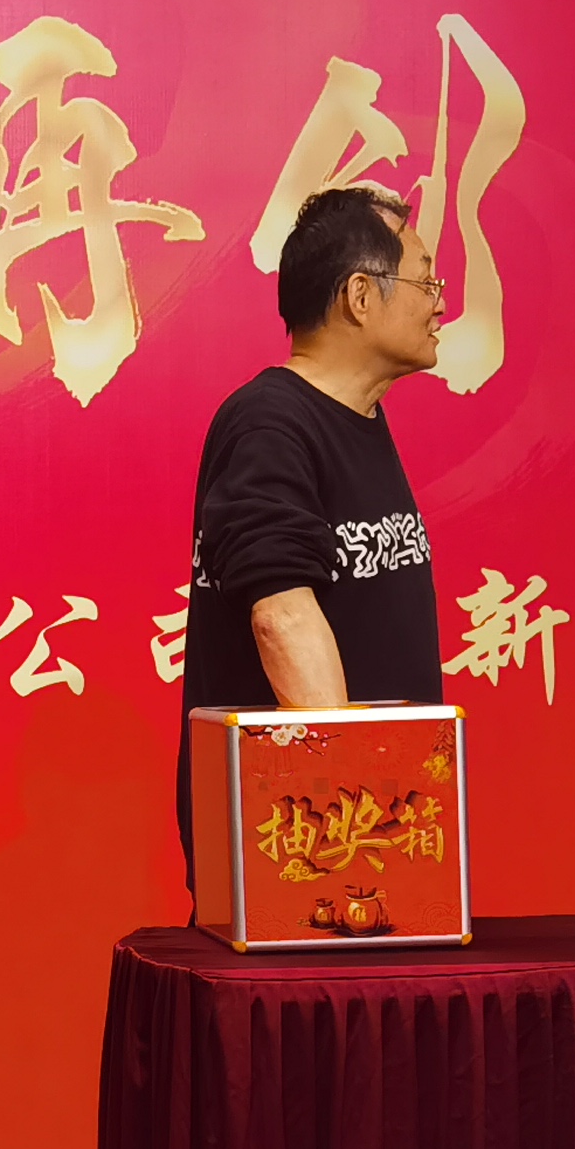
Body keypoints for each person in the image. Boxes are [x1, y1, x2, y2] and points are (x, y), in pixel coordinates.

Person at [177, 186, 446, 860]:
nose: (440, 302)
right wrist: (351, 806)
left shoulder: (359, 419)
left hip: (373, 833)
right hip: (307, 846)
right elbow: (282, 617)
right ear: (360, 295)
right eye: (425, 279)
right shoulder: (271, 423)